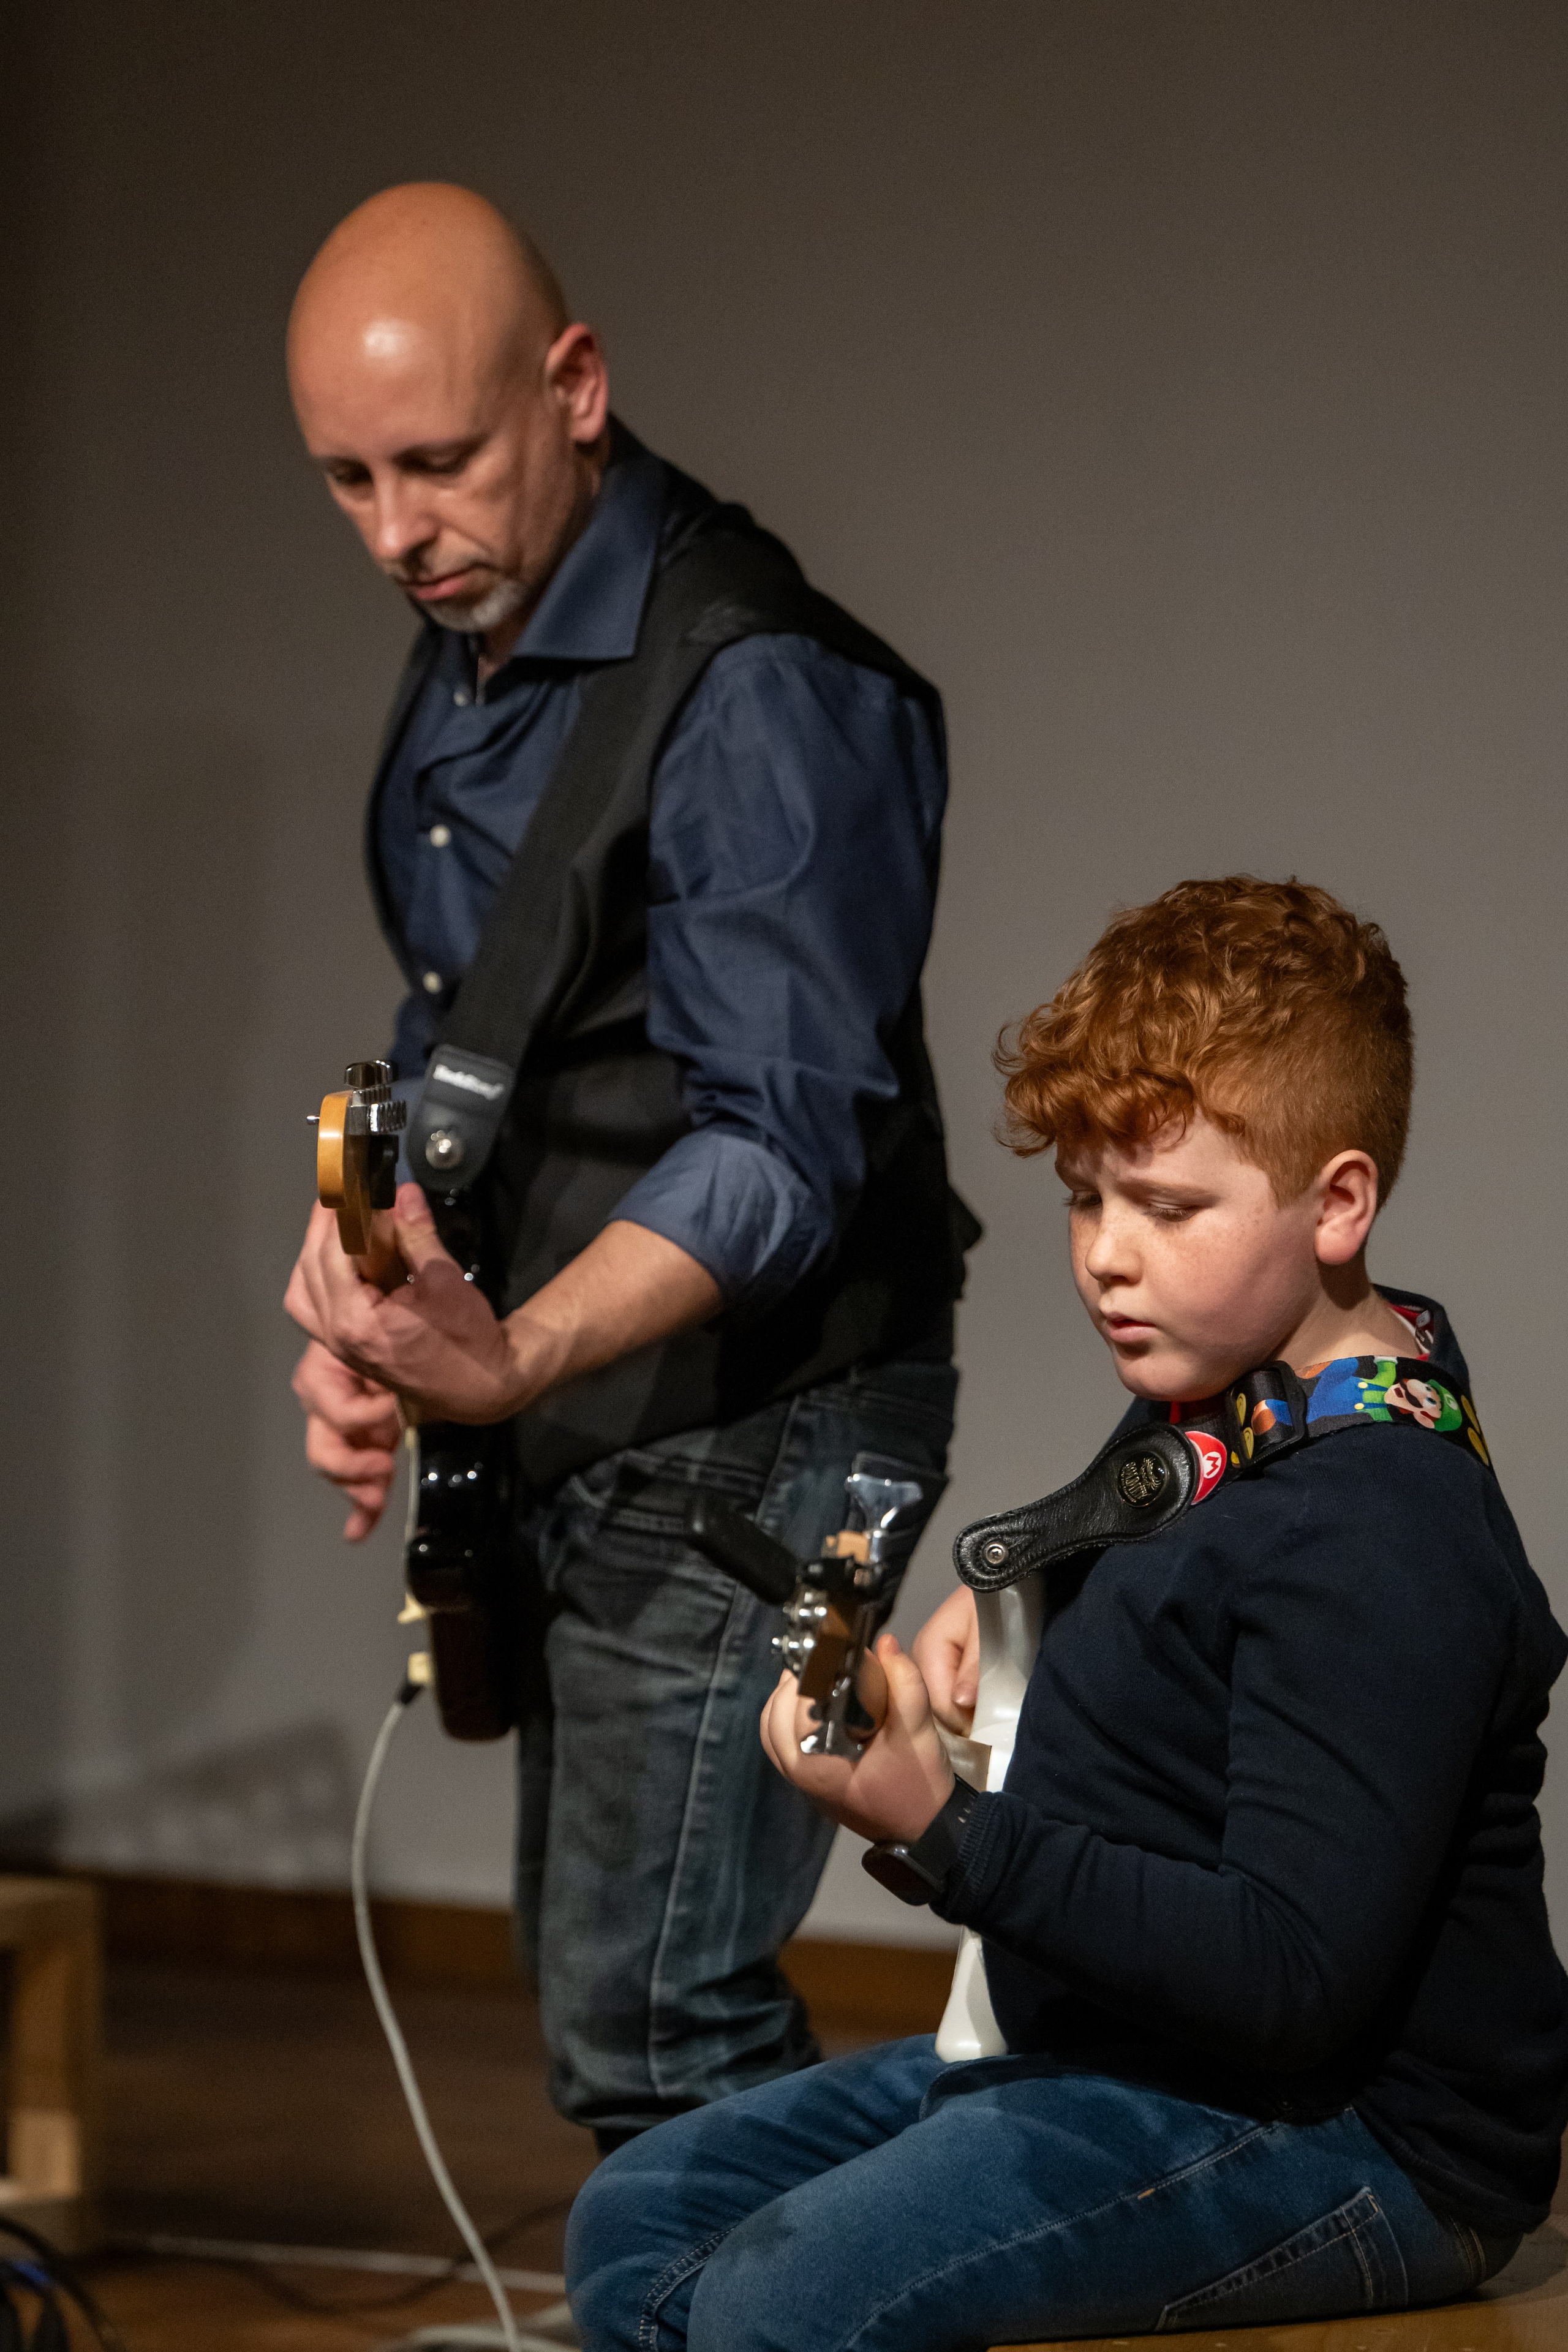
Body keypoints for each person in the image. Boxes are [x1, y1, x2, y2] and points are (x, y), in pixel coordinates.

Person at [566, 877, 1568, 2348]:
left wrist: (938, 1827)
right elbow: (1176, 1553)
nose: (1106, 1252)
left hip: (1354, 2136)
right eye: (1087, 1199)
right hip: (1115, 2047)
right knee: (640, 2219)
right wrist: (1012, 1598)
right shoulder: (1237, 1389)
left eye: (1166, 1208)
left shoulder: (1379, 1528)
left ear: (1338, 1200)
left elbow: (1289, 1979)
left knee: (786, 2299)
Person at [282, 184, 971, 2144]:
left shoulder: (755, 680)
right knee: (607, 2008)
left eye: (437, 463)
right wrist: (362, 1283)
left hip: (765, 1406)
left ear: (575, 387)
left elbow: (786, 1152)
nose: (396, 531)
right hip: (586, 1405)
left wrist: (502, 1354)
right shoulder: (478, 630)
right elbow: (475, 1039)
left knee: (661, 2031)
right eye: (345, 479)